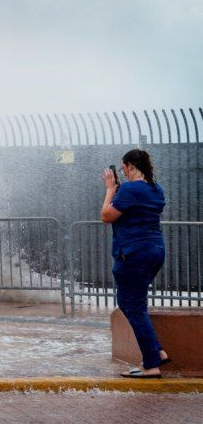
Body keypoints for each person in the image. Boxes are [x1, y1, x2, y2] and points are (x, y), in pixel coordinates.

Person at [100, 148, 170, 378]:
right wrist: (120, 190)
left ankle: (151, 364)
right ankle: (157, 352)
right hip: (155, 251)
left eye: (123, 168)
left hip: (133, 253)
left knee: (135, 306)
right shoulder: (155, 188)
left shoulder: (130, 189)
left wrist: (110, 189)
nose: (123, 172)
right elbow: (136, 209)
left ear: (130, 166)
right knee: (127, 300)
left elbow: (106, 216)